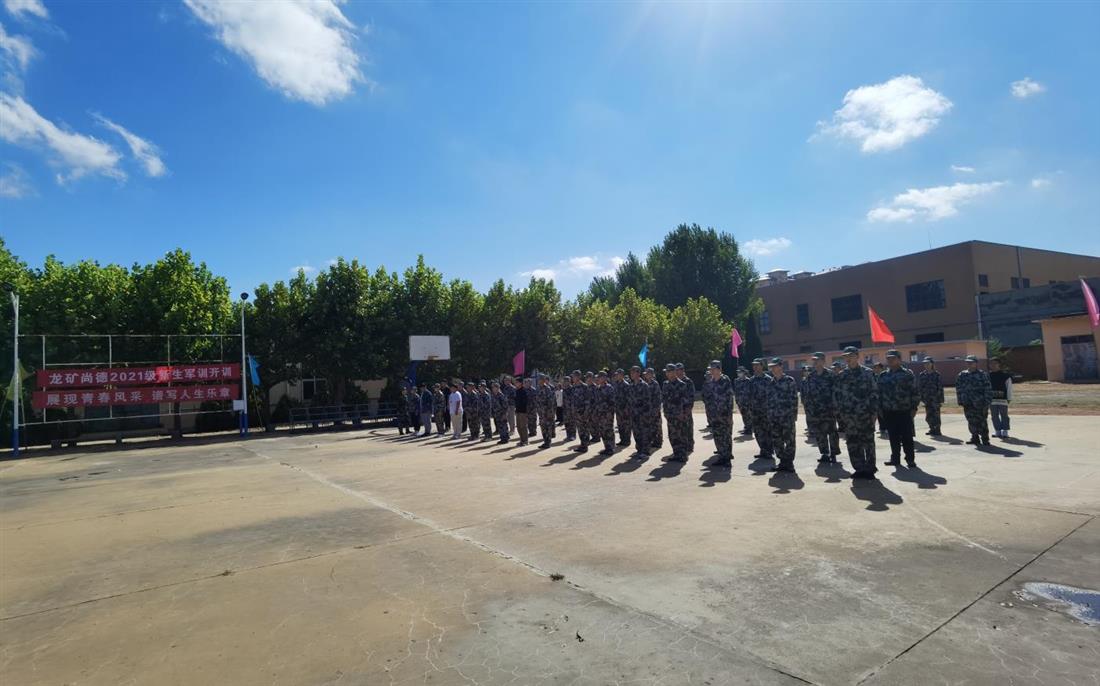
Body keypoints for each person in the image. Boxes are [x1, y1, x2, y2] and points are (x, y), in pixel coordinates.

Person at [835, 346, 880, 479]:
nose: (848, 359)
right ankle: (859, 468)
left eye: (851, 356)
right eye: (845, 357)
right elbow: (837, 395)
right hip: (848, 416)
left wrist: (874, 413)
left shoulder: (867, 373)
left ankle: (870, 469)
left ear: (857, 356)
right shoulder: (842, 375)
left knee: (868, 443)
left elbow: (874, 394)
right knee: (852, 443)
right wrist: (840, 415)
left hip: (865, 415)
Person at [878, 350, 920, 467]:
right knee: (893, 437)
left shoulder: (907, 374)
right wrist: (879, 409)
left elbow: (914, 392)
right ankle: (895, 458)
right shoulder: (883, 375)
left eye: (893, 358)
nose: (890, 360)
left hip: (904, 410)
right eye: (888, 358)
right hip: (888, 411)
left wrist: (914, 408)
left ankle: (910, 459)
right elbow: (879, 393)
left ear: (899, 359)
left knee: (907, 436)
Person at [803, 353, 840, 464]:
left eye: (817, 360)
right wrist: (809, 409)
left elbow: (836, 392)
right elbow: (808, 393)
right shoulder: (811, 376)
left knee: (832, 432)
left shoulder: (830, 375)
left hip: (829, 410)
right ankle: (824, 453)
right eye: (814, 360)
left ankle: (833, 453)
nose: (815, 362)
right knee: (819, 433)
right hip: (816, 410)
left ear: (823, 361)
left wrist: (836, 408)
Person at [766, 358, 799, 472]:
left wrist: (793, 415)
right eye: (771, 367)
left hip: (787, 417)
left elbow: (794, 399)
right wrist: (769, 415)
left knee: (789, 441)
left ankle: (789, 463)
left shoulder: (789, 380)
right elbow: (768, 400)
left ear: (781, 366)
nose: (773, 369)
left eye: (775, 366)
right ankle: (782, 462)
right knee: (777, 440)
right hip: (774, 417)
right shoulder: (770, 382)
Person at [956, 355, 992, 446]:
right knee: (970, 420)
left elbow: (987, 388)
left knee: (982, 420)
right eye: (968, 362)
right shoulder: (962, 374)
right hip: (967, 402)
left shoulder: (982, 374)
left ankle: (985, 438)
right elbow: (959, 388)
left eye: (971, 362)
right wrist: (960, 400)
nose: (969, 363)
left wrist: (987, 401)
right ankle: (974, 437)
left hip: (980, 402)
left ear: (976, 363)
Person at [704, 360, 734, 466]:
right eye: (710, 369)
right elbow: (707, 398)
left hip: (724, 415)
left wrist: (729, 415)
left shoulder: (725, 380)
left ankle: (727, 458)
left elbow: (729, 399)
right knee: (717, 436)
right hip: (714, 415)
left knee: (726, 437)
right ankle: (721, 456)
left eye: (713, 369)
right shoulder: (710, 382)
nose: (711, 371)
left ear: (719, 369)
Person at [662, 363, 690, 462]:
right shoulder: (665, 384)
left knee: (681, 435)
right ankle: (676, 454)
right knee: (672, 435)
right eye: (666, 372)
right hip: (670, 415)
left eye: (668, 371)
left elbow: (686, 402)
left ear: (674, 372)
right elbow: (664, 400)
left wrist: (684, 414)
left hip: (679, 415)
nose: (667, 373)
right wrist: (665, 412)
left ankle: (683, 455)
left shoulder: (682, 384)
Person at [749, 358, 773, 459]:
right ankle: (763, 450)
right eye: (754, 365)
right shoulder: (751, 380)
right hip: (755, 411)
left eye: (757, 365)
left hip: (766, 411)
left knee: (767, 431)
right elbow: (749, 395)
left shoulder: (768, 379)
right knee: (758, 432)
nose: (755, 367)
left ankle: (769, 451)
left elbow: (772, 395)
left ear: (762, 366)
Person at [918, 357, 944, 436]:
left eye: (928, 363)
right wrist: (921, 398)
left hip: (935, 398)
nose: (926, 365)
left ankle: (937, 429)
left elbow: (940, 387)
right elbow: (920, 387)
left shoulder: (937, 374)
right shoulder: (922, 375)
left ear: (932, 364)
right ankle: (932, 428)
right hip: (926, 398)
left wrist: (940, 399)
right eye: (925, 363)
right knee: (928, 415)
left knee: (936, 415)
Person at [988, 358, 1013, 438]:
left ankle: (1005, 431)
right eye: (991, 363)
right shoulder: (987, 376)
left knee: (1004, 415)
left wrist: (1009, 398)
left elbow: (1009, 387)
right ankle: (997, 431)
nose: (993, 365)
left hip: (1003, 399)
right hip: (992, 400)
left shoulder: (1005, 376)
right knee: (994, 416)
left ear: (999, 364)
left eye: (995, 363)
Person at [594, 370, 616, 455]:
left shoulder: (609, 388)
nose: (598, 379)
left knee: (609, 431)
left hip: (607, 414)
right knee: (602, 431)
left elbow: (612, 402)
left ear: (604, 378)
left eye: (599, 377)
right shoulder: (598, 388)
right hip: (600, 414)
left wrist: (609, 413)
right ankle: (607, 447)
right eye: (598, 377)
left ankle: (611, 448)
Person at [676, 363, 695, 453]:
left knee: (688, 428)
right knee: (680, 429)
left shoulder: (688, 381)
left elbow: (692, 396)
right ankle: (682, 445)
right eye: (676, 370)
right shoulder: (675, 381)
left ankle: (690, 446)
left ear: (682, 370)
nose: (677, 372)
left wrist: (688, 408)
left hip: (686, 409)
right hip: (678, 410)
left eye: (678, 370)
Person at [644, 367, 663, 450]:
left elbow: (658, 398)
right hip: (648, 409)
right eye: (646, 374)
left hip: (654, 409)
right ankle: (652, 441)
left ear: (652, 374)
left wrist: (656, 409)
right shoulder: (645, 383)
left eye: (648, 374)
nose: (646, 375)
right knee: (650, 426)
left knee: (657, 425)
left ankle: (658, 442)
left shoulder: (655, 384)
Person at [613, 369, 632, 447]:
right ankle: (622, 440)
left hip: (625, 409)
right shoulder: (616, 384)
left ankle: (627, 441)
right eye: (616, 374)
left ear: (622, 375)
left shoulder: (626, 385)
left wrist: (627, 409)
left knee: (626, 425)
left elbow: (629, 398)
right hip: (618, 409)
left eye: (618, 374)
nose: (617, 376)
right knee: (620, 425)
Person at [537, 374, 557, 449]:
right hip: (541, 413)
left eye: (540, 379)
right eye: (538, 379)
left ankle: (548, 442)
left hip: (547, 413)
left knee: (548, 427)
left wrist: (549, 412)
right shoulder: (538, 388)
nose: (539, 381)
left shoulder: (547, 389)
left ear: (543, 380)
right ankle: (545, 441)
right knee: (543, 427)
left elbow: (551, 402)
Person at [733, 367, 753, 436]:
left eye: (740, 372)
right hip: (740, 402)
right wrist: (737, 400)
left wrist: (750, 402)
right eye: (738, 372)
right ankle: (746, 427)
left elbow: (751, 392)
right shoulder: (736, 381)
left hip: (747, 402)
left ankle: (749, 429)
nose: (739, 373)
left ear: (744, 373)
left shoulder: (748, 381)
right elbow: (736, 391)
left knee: (748, 416)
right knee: (744, 416)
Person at [872, 361, 888, 437]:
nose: (876, 369)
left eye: (878, 368)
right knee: (879, 414)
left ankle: (887, 427)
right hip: (876, 398)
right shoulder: (873, 377)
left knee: (886, 413)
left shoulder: (886, 376)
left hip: (885, 398)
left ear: (882, 368)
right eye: (875, 368)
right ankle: (882, 428)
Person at [514, 377, 530, 446]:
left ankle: (525, 441)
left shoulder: (524, 391)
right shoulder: (517, 391)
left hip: (523, 411)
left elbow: (525, 402)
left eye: (517, 382)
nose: (515, 384)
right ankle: (522, 440)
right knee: (518, 427)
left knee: (523, 426)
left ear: (520, 383)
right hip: (518, 411)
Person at [525, 377, 539, 442]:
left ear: (530, 383)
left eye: (528, 383)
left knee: (533, 420)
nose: (527, 384)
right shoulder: (524, 390)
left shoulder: (533, 390)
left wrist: (535, 407)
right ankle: (530, 431)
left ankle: (534, 431)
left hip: (533, 408)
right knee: (528, 421)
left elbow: (536, 399)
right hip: (527, 408)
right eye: (526, 383)